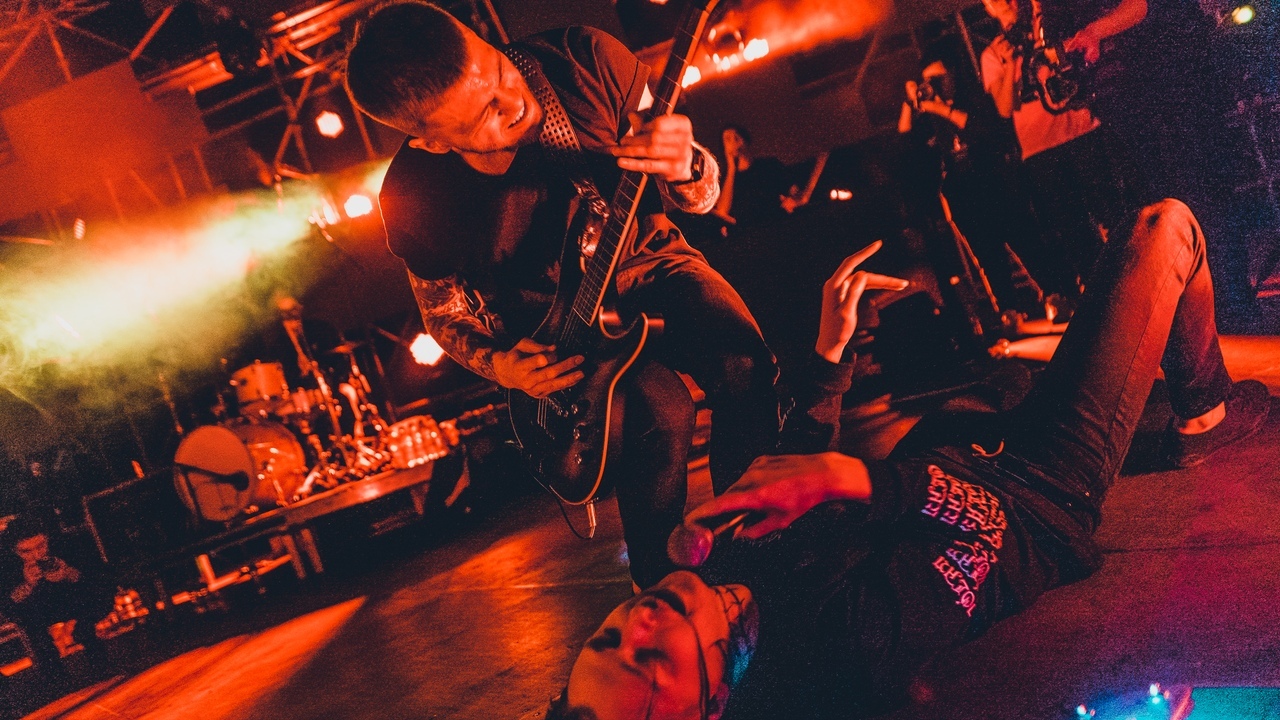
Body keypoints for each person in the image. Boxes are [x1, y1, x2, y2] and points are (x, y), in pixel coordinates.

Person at [549, 198, 1273, 719]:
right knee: (1163, 229)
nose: (639, 623)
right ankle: (1204, 412)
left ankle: (1164, 408)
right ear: (710, 707)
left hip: (964, 439)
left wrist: (830, 352)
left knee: (1016, 371)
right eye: (652, 662)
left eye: (609, 637)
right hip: (1040, 489)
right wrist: (855, 478)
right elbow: (988, 532)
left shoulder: (710, 576)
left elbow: (787, 473)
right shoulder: (843, 651)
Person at [344, 2, 779, 587]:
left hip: (649, 261)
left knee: (744, 362)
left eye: (499, 70)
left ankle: (763, 557)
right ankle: (662, 593)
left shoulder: (587, 59)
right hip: (560, 333)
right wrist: (501, 365)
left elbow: (700, 197)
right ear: (431, 142)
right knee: (659, 416)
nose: (512, 102)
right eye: (484, 115)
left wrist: (687, 167)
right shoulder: (413, 195)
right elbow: (440, 310)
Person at [979, 0, 1148, 296]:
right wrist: (1010, 64)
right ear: (987, 7)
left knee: (1115, 214)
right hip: (1040, 149)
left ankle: (1142, 282)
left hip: (1082, 129)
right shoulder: (992, 53)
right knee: (1074, 229)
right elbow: (1004, 107)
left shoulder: (1048, 22)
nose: (1003, 1)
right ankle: (1105, 299)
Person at [897, 39, 1044, 317]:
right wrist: (909, 103)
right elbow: (905, 143)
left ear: (953, 73)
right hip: (962, 193)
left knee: (1025, 240)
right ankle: (1009, 310)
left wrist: (940, 108)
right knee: (987, 256)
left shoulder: (973, 99)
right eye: (930, 80)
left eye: (939, 78)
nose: (935, 85)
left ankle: (1057, 293)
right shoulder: (931, 114)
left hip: (994, 181)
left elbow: (980, 129)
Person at [4, 520, 99, 675]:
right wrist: (28, 585)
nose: (36, 555)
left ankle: (99, 660)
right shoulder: (8, 566)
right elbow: (9, 606)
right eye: (26, 551)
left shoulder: (64, 546)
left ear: (47, 539)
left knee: (86, 606)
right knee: (31, 625)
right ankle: (54, 674)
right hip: (37, 612)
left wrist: (67, 573)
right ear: (15, 551)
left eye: (40, 546)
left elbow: (93, 580)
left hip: (71, 601)